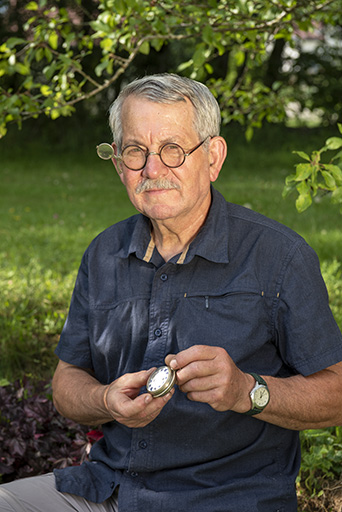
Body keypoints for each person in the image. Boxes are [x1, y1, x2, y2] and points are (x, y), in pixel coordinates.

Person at [1, 73, 342, 512]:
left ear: (213, 157)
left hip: (225, 499)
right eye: (135, 151)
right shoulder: (104, 253)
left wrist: (246, 391)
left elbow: (335, 396)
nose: (152, 169)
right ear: (119, 163)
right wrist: (104, 400)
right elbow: (67, 383)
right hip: (106, 490)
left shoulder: (279, 257)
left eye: (173, 150)